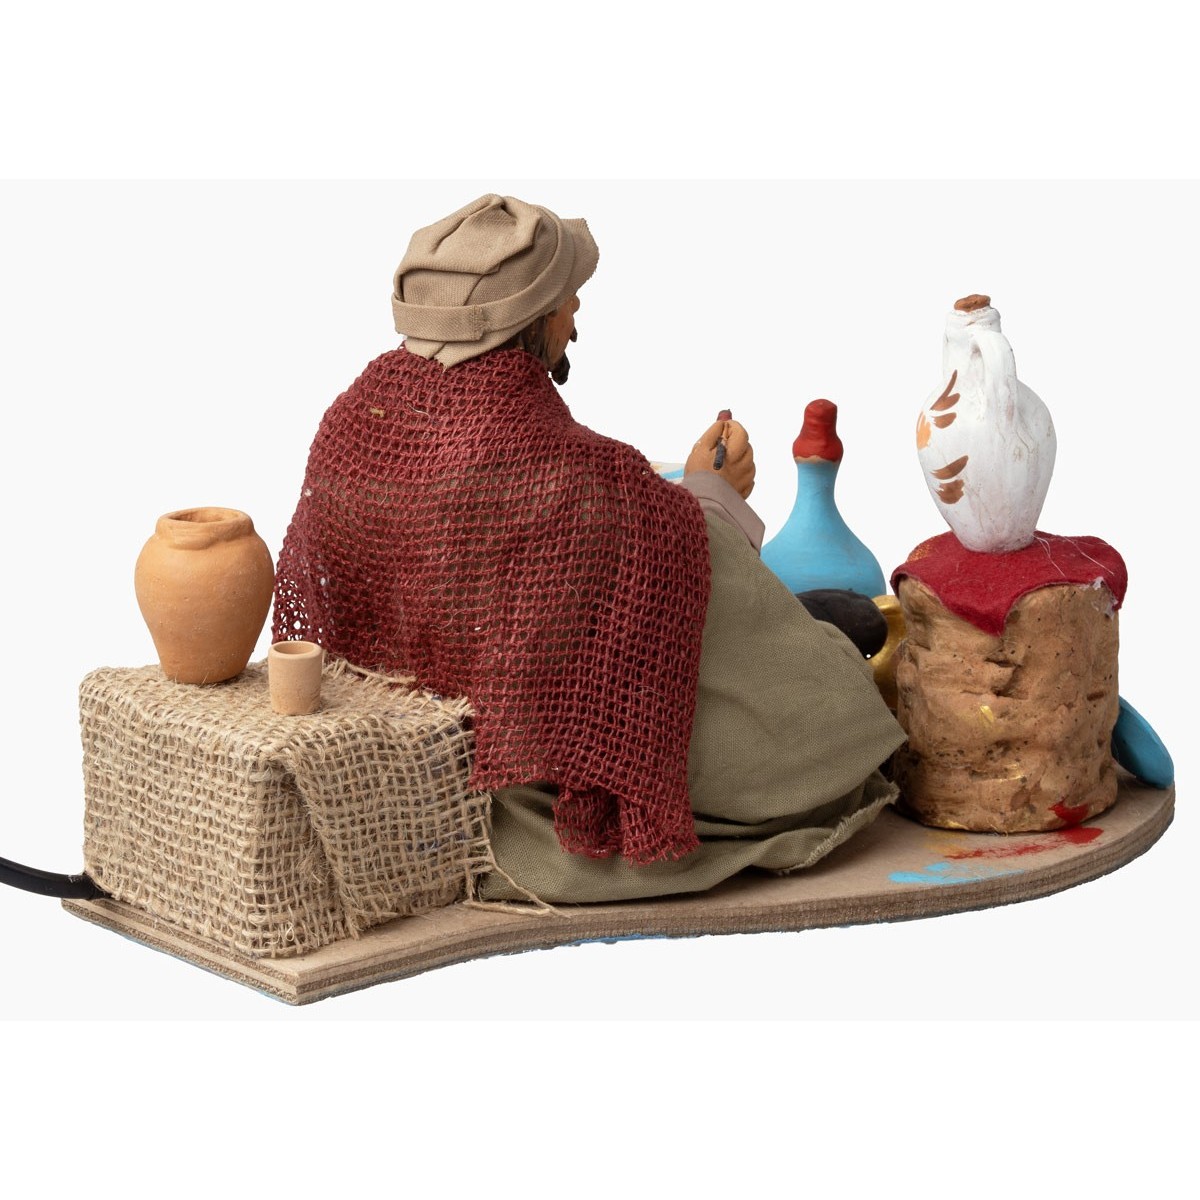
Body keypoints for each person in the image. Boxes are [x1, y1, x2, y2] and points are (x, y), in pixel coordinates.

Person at [273, 194, 905, 904]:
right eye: (567, 299)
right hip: (529, 767)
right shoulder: (574, 474)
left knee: (822, 622)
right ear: (538, 317)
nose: (576, 314)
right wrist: (713, 497)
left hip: (418, 736)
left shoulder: (352, 425)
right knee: (835, 699)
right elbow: (665, 604)